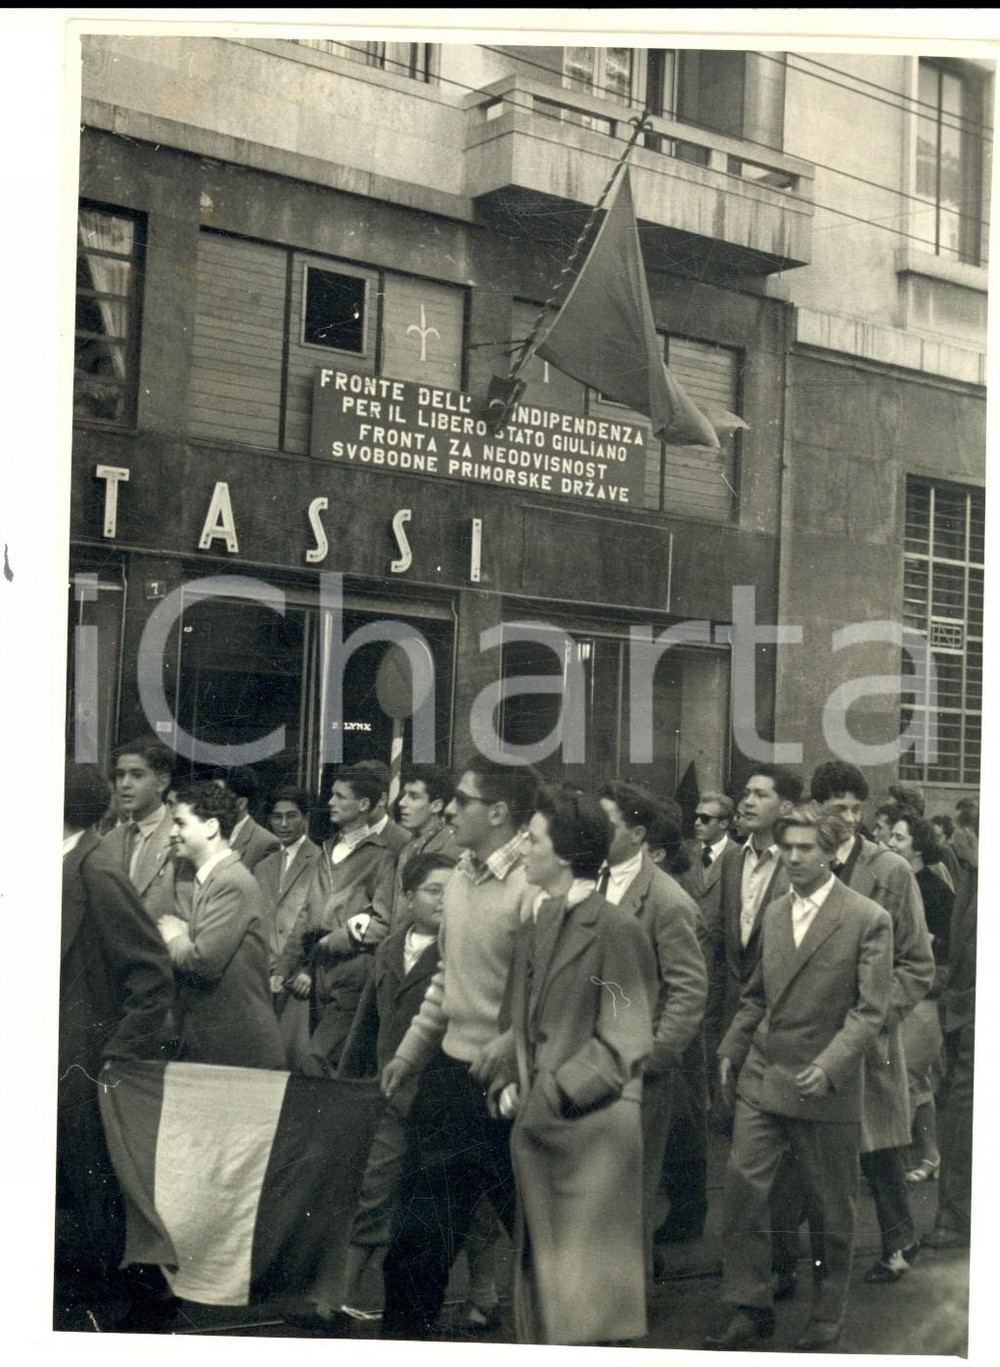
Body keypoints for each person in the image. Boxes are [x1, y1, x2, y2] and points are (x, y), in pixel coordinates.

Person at [705, 806, 893, 1353]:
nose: (792, 858)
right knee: (742, 1191)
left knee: (831, 1208)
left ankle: (827, 1318)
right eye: (787, 847)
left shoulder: (866, 918)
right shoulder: (775, 912)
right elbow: (756, 996)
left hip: (823, 1085)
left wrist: (831, 1065)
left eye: (806, 848)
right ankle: (749, 1305)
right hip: (763, 1075)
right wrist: (732, 1046)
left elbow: (870, 1010)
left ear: (833, 852)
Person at [484, 786, 655, 1345]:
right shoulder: (536, 921)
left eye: (530, 839)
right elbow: (522, 1023)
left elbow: (624, 1040)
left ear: (561, 854)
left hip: (590, 1142)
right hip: (547, 1136)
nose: (520, 849)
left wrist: (551, 1096)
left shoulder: (616, 928)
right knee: (548, 1307)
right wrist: (511, 1079)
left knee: (583, 1318)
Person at [378, 757, 538, 1340]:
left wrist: (514, 1041)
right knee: (417, 1241)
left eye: (463, 801)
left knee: (541, 1242)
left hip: (513, 1087)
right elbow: (447, 978)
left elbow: (559, 991)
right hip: (449, 1079)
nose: (450, 809)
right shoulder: (463, 876)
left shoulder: (534, 886)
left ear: (498, 812)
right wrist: (411, 1053)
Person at [772, 760, 934, 1290]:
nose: (848, 816)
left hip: (869, 1036)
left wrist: (874, 1014)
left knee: (879, 1148)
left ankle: (897, 1242)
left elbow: (917, 965)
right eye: (836, 806)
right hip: (808, 1036)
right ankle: (788, 1254)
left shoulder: (890, 872)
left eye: (855, 807)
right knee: (801, 1147)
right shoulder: (798, 861)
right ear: (816, 811)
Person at [59, 763, 176, 1329]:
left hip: (83, 1060)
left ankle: (133, 1301)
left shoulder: (95, 869)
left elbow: (151, 971)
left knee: (95, 1185)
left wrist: (117, 1053)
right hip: (53, 1055)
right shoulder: (62, 862)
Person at [334, 855, 461, 1321]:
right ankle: (339, 1296)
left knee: (467, 1204)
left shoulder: (458, 950)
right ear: (407, 898)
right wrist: (351, 1084)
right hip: (390, 1090)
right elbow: (368, 1022)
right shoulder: (389, 949)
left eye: (451, 890)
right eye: (432, 890)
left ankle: (485, 1295)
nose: (443, 900)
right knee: (374, 1189)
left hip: (441, 1094)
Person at [597, 781, 707, 1267]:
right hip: (580, 1061)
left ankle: (624, 1310)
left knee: (628, 1191)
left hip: (636, 1071)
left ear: (638, 833)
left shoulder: (667, 900)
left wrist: (657, 1055)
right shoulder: (585, 881)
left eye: (607, 822)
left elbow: (688, 989)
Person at [276, 765, 397, 1075]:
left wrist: (337, 939)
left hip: (353, 973)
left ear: (364, 805)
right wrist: (285, 966)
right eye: (332, 794)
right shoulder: (326, 851)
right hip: (318, 972)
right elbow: (305, 914)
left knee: (318, 1059)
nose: (330, 802)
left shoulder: (381, 857)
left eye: (340, 796)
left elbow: (384, 923)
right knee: (315, 1060)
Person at [157, 781, 285, 1068]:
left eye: (180, 823)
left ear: (211, 827)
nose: (173, 832)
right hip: (217, 1045)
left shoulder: (230, 882)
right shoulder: (208, 879)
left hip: (237, 1048)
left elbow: (203, 962)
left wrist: (174, 937)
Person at [888, 812, 954, 1184]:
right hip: (899, 994)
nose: (890, 843)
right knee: (916, 1082)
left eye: (898, 838)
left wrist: (930, 944)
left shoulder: (934, 888)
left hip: (923, 1000)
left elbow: (950, 943)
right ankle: (929, 1155)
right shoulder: (896, 882)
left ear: (918, 845)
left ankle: (892, 1162)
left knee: (908, 1079)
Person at [718, 766, 802, 1038]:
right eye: (747, 794)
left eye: (761, 795)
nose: (748, 802)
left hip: (778, 1015)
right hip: (730, 1011)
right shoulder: (732, 859)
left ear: (786, 807)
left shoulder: (797, 865)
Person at [254, 786, 321, 1067]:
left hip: (297, 977)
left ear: (305, 818)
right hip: (263, 974)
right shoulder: (263, 866)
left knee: (292, 1058)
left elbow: (314, 920)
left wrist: (303, 967)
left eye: (291, 816)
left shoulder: (320, 859)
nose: (283, 824)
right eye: (277, 817)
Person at [102, 738, 182, 920]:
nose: (125, 784)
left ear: (162, 783)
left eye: (137, 775)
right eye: (120, 775)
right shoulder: (110, 840)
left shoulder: (181, 840)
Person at [391, 763, 458, 927]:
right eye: (404, 795)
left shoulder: (453, 847)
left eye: (413, 797)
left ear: (436, 806)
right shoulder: (408, 846)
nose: (402, 803)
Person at [211, 765, 280, 871]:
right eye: (212, 796)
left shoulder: (266, 845)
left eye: (221, 798)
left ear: (241, 803)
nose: (212, 803)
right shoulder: (207, 834)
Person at [352, 759, 412, 861]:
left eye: (363, 797)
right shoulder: (345, 836)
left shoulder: (404, 842)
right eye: (353, 796)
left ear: (382, 799)